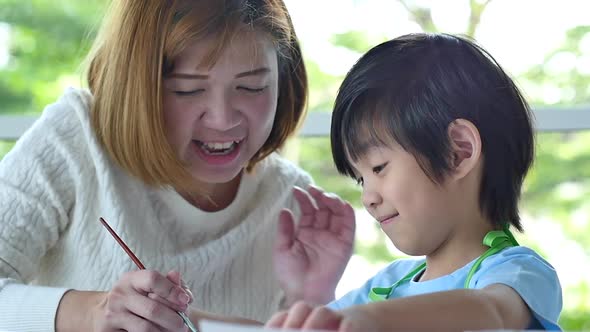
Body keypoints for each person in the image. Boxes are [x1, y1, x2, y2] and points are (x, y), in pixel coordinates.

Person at [0, 0, 355, 331]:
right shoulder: (75, 140)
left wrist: (311, 300)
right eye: (188, 90)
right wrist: (95, 311)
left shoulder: (296, 207)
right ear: (137, 86)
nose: (222, 119)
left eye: (251, 87)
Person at [266, 33, 563, 331]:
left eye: (379, 167)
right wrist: (310, 296)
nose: (368, 198)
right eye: (360, 179)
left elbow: (493, 312)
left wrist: (370, 319)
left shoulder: (517, 273)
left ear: (458, 152)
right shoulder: (386, 286)